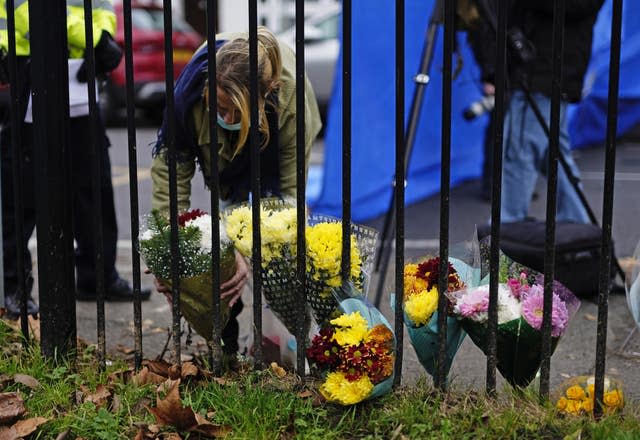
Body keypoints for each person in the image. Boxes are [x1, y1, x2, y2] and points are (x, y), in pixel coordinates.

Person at [150, 27, 322, 357]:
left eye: (235, 112)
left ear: (267, 95)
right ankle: (225, 341)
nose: (225, 117)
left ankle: (273, 341)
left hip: (270, 171)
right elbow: (171, 177)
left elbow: (289, 198)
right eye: (218, 106)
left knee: (275, 257)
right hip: (224, 171)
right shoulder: (188, 95)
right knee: (212, 256)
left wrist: (246, 245)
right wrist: (168, 249)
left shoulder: (291, 101)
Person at [0, 0, 150, 319]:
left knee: (94, 185)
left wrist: (104, 38)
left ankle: (98, 278)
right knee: (21, 193)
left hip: (79, 80)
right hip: (27, 74)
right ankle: (15, 289)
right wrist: (93, 40)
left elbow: (103, 9)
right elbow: (32, 13)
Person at [498, 1, 604, 223]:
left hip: (548, 72)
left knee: (520, 149)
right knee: (553, 153)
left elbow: (577, 8)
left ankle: (506, 227)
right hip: (542, 67)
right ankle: (577, 223)